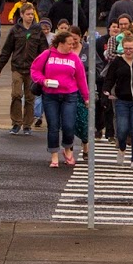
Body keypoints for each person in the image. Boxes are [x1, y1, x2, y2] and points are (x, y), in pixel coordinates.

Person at [31, 29, 89, 168]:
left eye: (73, 43)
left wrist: (86, 97)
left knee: (69, 125)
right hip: (50, 95)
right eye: (69, 43)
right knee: (53, 126)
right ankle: (54, 155)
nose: (72, 46)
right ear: (61, 43)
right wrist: (43, 80)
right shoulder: (48, 54)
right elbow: (34, 70)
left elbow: (81, 78)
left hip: (70, 95)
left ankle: (68, 149)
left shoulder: (74, 58)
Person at [101, 34, 133, 168]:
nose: (128, 51)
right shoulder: (117, 62)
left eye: (131, 48)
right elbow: (109, 79)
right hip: (122, 100)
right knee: (122, 130)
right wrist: (105, 92)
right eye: (126, 48)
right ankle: (122, 148)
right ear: (122, 48)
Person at [0, 4, 46, 135]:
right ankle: (16, 122)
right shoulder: (15, 30)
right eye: (28, 14)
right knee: (16, 94)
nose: (30, 17)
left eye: (32, 14)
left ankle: (27, 124)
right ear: (22, 14)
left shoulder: (37, 31)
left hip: (32, 69)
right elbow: (7, 49)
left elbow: (44, 52)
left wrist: (45, 69)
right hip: (17, 67)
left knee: (30, 97)